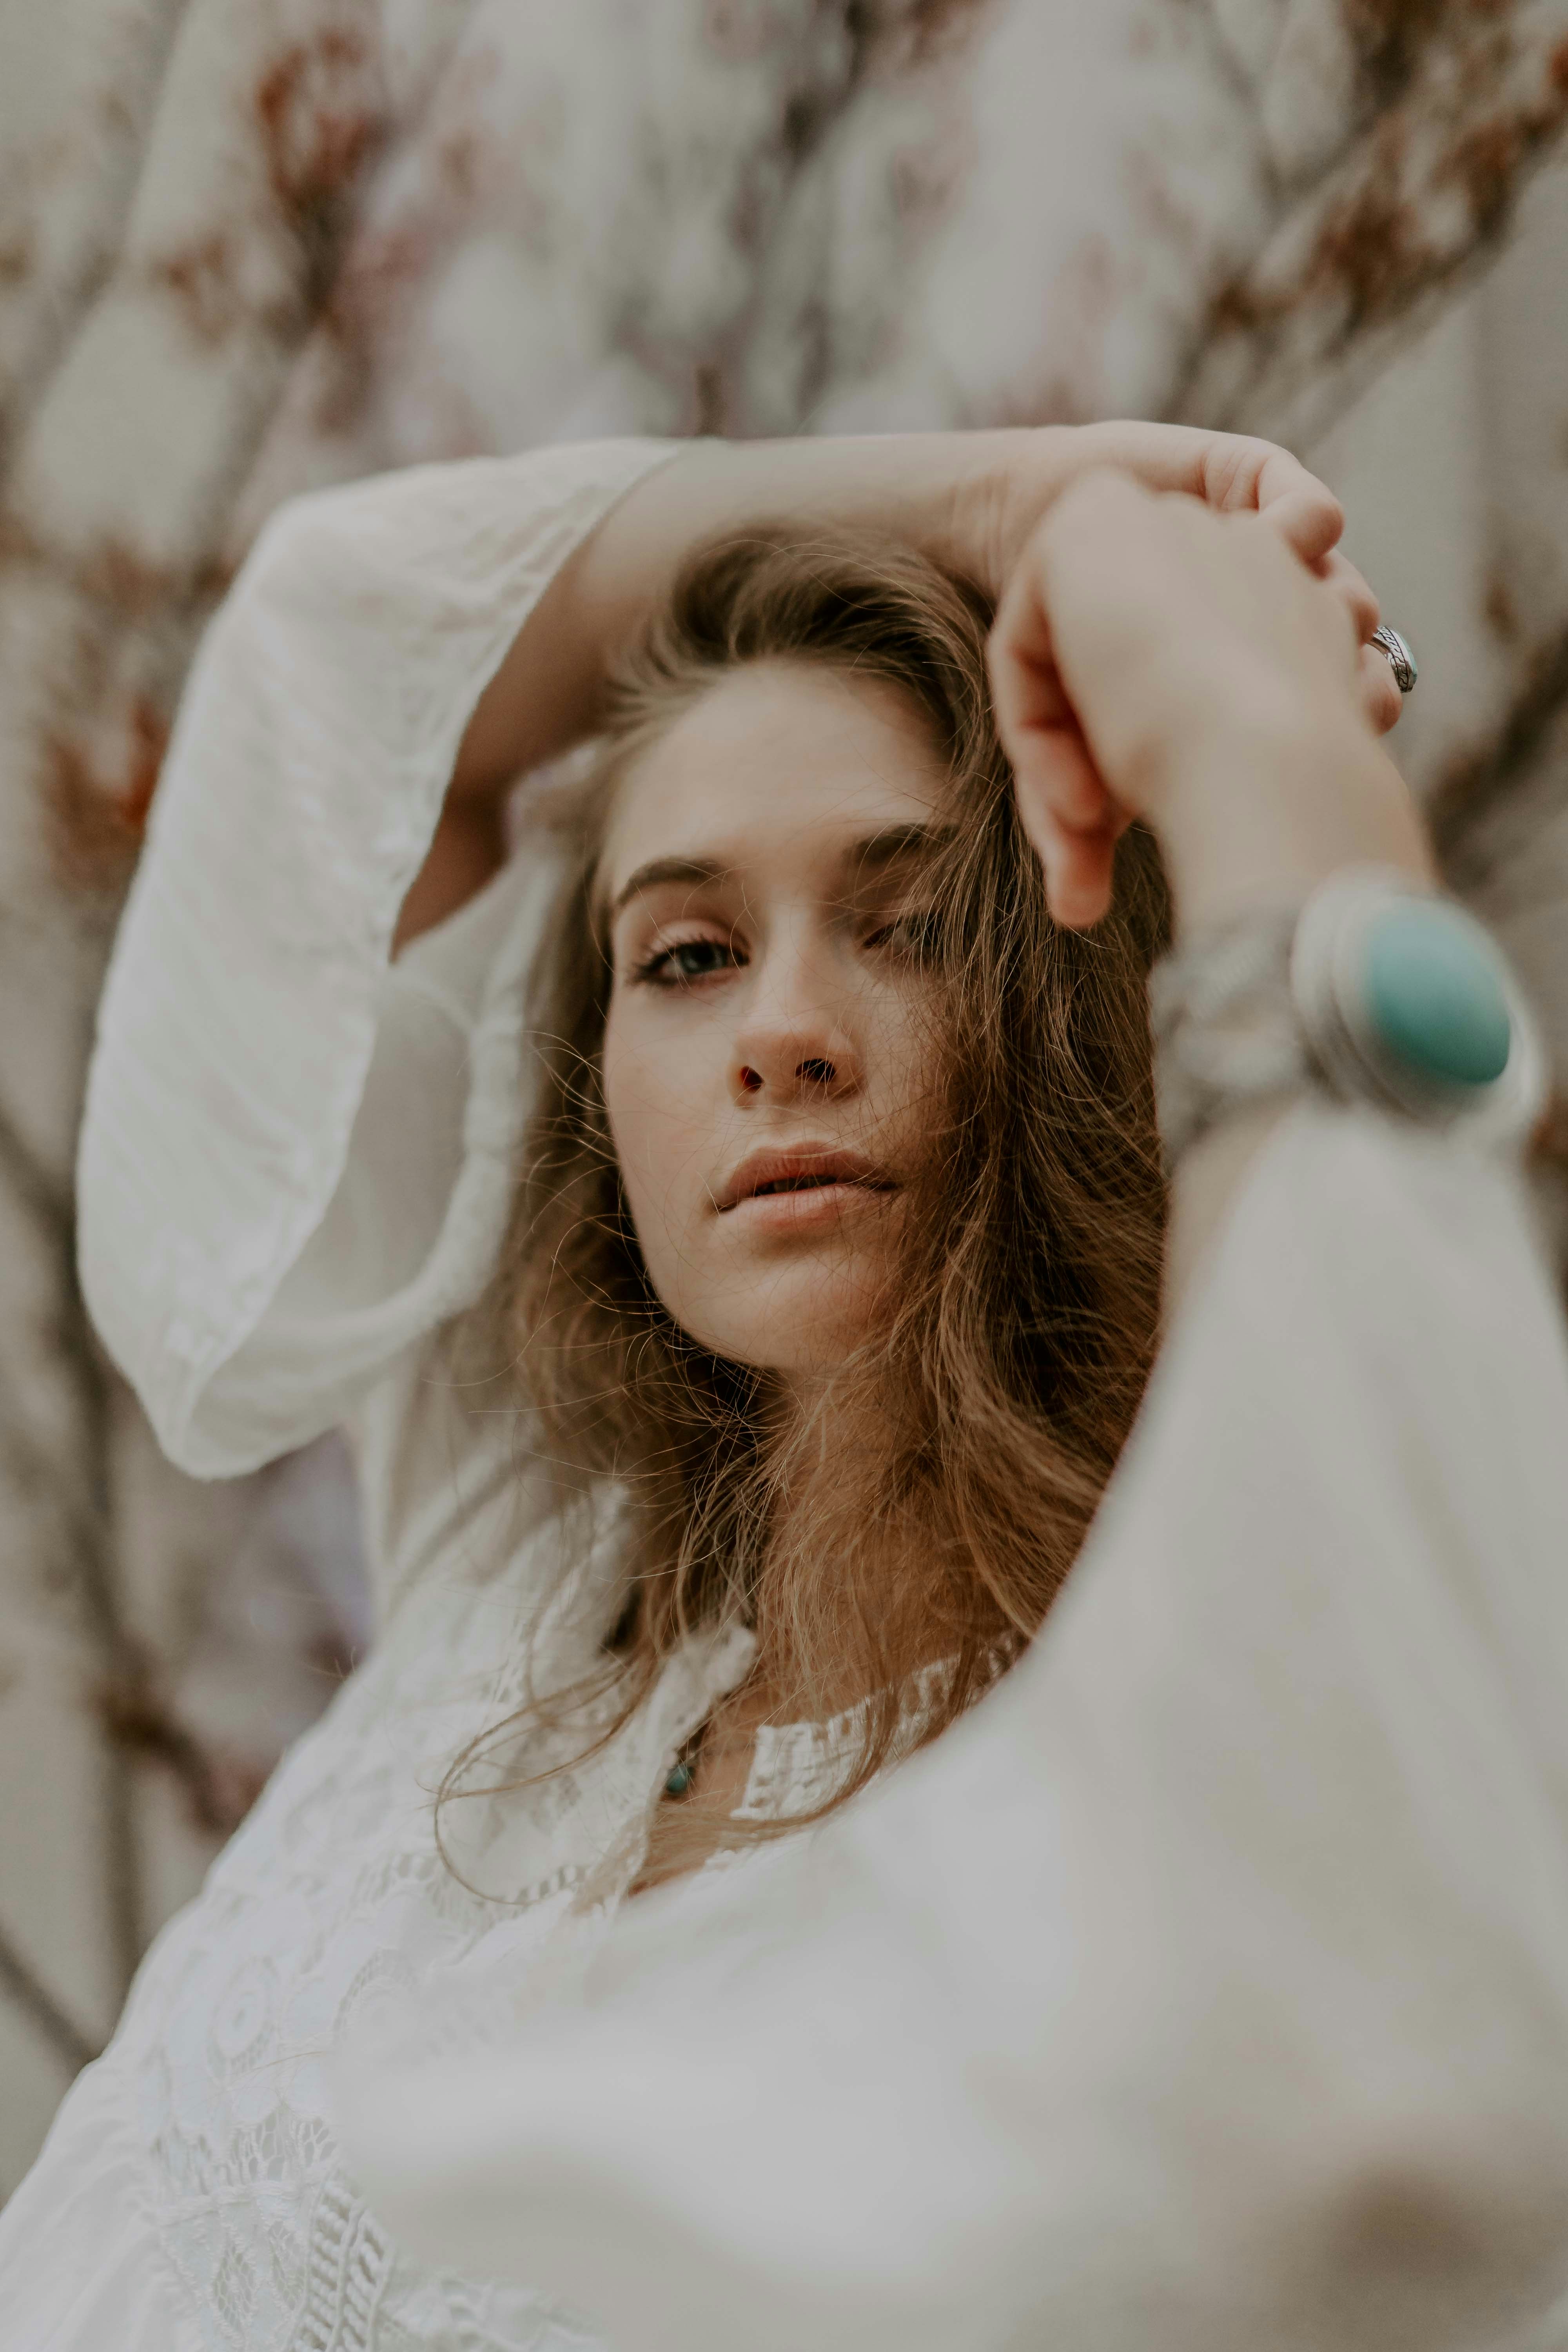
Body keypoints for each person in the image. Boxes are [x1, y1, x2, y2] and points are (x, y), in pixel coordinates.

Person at [0, 421, 1554, 2352]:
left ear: (1073, 997)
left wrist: (1264, 768)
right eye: (689, 953)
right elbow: (343, 644)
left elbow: (1437, 2096)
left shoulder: (1193, 1696)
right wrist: (985, 503)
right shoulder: (528, 1555)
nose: (784, 1037)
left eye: (903, 924)